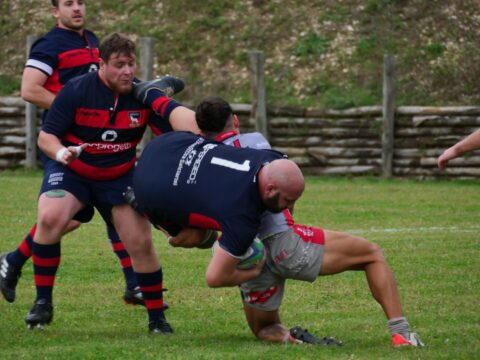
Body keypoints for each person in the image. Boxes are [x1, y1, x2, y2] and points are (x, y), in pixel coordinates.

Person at [193, 96, 424, 348]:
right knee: (372, 254)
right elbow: (280, 184)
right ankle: (402, 334)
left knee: (265, 328)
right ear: (235, 120)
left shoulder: (201, 164)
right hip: (284, 243)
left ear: (201, 131)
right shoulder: (255, 141)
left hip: (246, 253)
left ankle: (289, 338)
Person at [22, 32, 198, 333]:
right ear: (101, 65)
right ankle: (42, 303)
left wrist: (161, 100)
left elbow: (179, 135)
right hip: (74, 171)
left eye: (131, 64)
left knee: (140, 242)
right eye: (119, 64)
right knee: (50, 217)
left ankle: (157, 320)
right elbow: (46, 136)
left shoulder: (142, 95)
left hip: (119, 176)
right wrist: (61, 152)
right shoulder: (76, 90)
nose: (127, 71)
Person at [0, 0, 143, 307]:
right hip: (65, 143)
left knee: (112, 209)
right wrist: (72, 111)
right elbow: (29, 89)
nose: (77, 8)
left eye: (81, 2)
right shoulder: (49, 45)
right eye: (68, 3)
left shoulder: (92, 40)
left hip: (96, 144)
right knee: (66, 216)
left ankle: (134, 285)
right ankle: (15, 264)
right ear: (55, 11)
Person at [131, 132, 305, 288]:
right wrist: (257, 271)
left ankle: (221, 243)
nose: (289, 207)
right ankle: (137, 203)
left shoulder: (273, 157)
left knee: (209, 231)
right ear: (270, 189)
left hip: (168, 142)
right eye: (288, 201)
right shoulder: (243, 219)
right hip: (149, 189)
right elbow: (214, 278)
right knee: (195, 237)